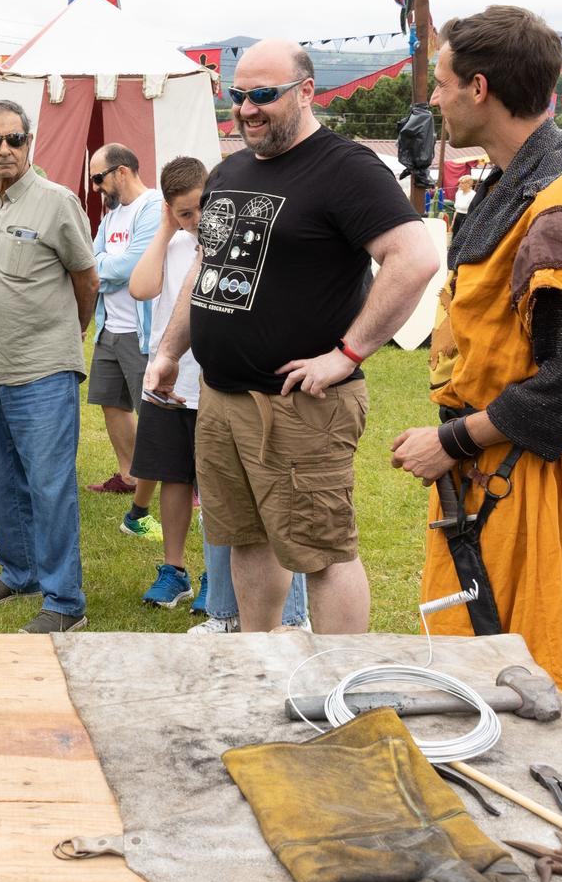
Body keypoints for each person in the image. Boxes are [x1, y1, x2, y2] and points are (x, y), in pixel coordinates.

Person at [389, 6, 562, 714]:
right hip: (492, 476)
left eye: (443, 84)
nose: (436, 100)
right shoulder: (520, 181)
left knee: (536, 692)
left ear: (479, 88)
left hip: (532, 481)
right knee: (476, 680)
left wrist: (450, 440)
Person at [149, 39, 437, 636]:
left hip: (299, 406)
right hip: (222, 400)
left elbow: (414, 257)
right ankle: (261, 657)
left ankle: (338, 686)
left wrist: (347, 354)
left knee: (323, 553)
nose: (248, 109)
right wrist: (170, 351)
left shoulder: (346, 167)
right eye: (239, 96)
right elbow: (208, 270)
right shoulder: (228, 170)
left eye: (263, 96)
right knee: (246, 539)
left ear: (306, 92)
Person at [131, 158, 309, 627]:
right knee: (209, 496)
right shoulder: (174, 245)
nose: (197, 221)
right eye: (186, 214)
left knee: (261, 505)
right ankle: (220, 604)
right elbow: (141, 286)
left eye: (203, 209)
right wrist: (167, 230)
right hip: (181, 386)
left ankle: (283, 614)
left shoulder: (244, 240)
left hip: (235, 385)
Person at [0, 100, 98, 634]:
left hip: (40, 367)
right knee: (1, 479)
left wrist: (67, 334)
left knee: (49, 483)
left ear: (29, 141)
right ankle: (21, 572)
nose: (4, 151)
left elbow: (86, 281)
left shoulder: (57, 203)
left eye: (14, 139)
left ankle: (65, 602)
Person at [84, 145, 166, 548]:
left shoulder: (153, 207)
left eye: (98, 178)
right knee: (111, 404)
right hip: (108, 328)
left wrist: (102, 271)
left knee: (153, 410)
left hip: (141, 331)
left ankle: (178, 483)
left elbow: (135, 265)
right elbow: (95, 257)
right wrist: (105, 270)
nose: (95, 187)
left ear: (121, 172)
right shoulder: (111, 213)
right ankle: (129, 475)